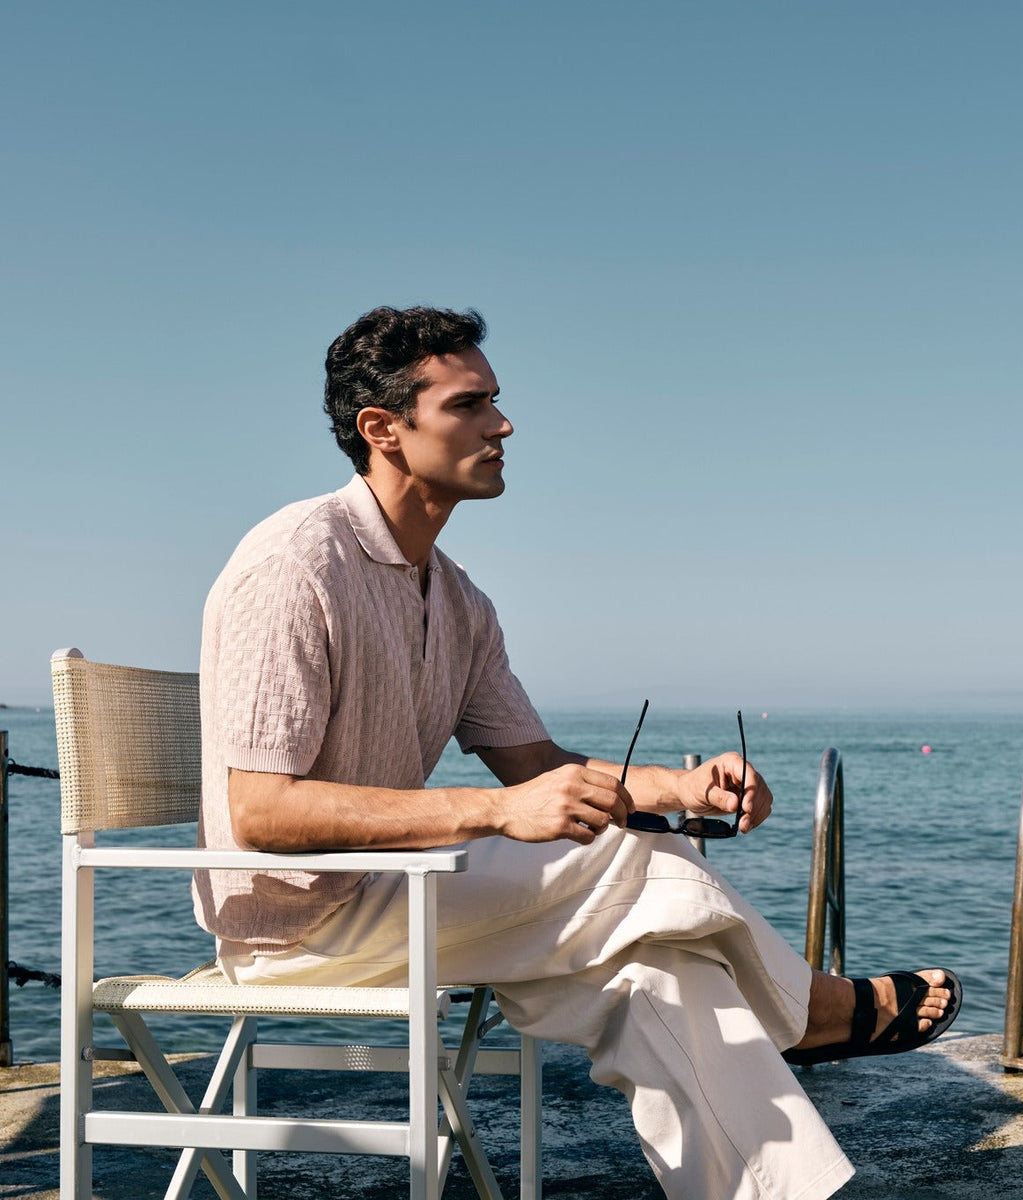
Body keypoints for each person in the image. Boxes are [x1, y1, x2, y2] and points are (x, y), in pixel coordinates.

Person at [193, 305, 961, 1200]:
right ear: (382, 429)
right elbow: (261, 810)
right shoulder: (296, 565)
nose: (502, 425)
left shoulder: (460, 600)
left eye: (496, 401)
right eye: (469, 405)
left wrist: (686, 786)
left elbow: (535, 764)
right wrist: (495, 812)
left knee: (660, 973)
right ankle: (816, 1009)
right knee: (637, 857)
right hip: (297, 926)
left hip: (401, 893)